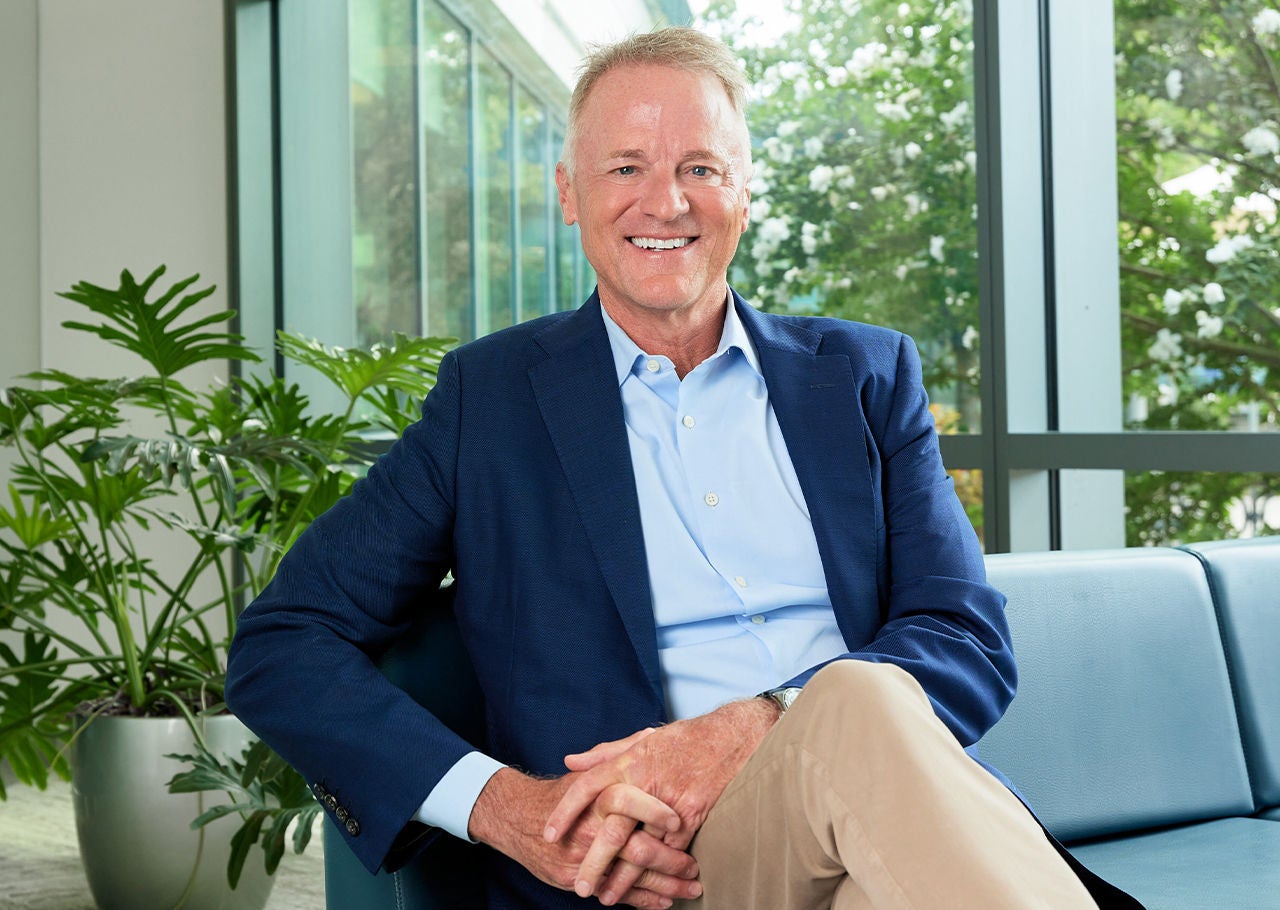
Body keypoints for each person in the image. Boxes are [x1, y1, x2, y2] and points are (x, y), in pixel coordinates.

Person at [226, 26, 1140, 910]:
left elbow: (964, 638)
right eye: (625, 167)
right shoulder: (489, 402)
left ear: (745, 193)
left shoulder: (863, 376)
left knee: (855, 715)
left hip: (869, 823)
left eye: (700, 168)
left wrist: (760, 721)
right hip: (654, 873)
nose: (664, 203)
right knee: (857, 695)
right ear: (570, 193)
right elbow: (284, 642)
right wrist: (505, 808)